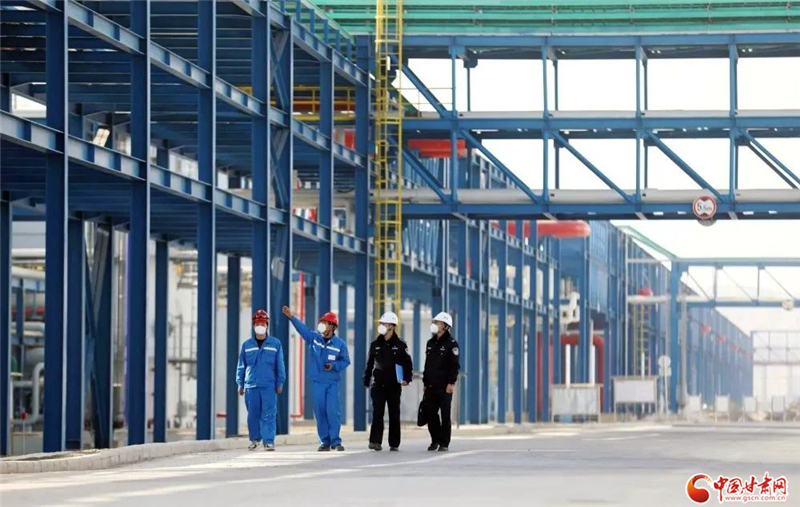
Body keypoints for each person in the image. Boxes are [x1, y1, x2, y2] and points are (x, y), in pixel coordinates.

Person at [283, 305, 350, 451]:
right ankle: (324, 442)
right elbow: (303, 329)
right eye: (322, 322)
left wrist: (333, 366)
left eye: (325, 322)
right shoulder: (314, 339)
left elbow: (346, 361)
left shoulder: (340, 345)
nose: (322, 325)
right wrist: (291, 317)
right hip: (318, 382)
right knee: (320, 412)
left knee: (332, 412)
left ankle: (336, 441)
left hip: (332, 383)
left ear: (332, 326)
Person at [236, 309, 286, 451]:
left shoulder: (275, 344)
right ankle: (255, 439)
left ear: (267, 325)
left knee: (269, 414)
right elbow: (241, 366)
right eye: (257, 323)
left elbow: (280, 365)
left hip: (269, 386)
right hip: (251, 386)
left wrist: (280, 382)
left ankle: (268, 441)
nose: (260, 326)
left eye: (262, 323)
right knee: (253, 415)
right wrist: (240, 384)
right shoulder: (247, 345)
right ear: (253, 325)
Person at [364, 311, 413, 452]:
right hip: (378, 385)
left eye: (384, 323)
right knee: (377, 413)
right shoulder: (375, 345)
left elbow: (407, 363)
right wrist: (367, 379)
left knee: (394, 414)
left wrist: (407, 379)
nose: (381, 326)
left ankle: (394, 443)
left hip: (394, 386)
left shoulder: (400, 345)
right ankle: (375, 441)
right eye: (381, 323)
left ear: (392, 326)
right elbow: (369, 364)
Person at [422, 311, 459, 452]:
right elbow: (427, 364)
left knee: (445, 415)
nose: (435, 324)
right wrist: (425, 382)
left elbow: (454, 365)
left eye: (437, 322)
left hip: (444, 386)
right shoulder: (430, 343)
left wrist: (451, 383)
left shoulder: (452, 344)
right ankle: (435, 440)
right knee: (431, 413)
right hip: (431, 385)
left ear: (445, 326)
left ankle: (444, 443)